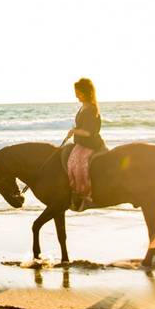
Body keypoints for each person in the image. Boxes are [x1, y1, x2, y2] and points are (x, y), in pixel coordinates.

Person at [63, 77, 107, 211]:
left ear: (85, 92)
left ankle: (85, 196)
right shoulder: (84, 107)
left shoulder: (91, 109)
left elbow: (88, 132)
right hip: (81, 142)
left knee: (77, 162)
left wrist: (74, 130)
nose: (76, 95)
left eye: (78, 92)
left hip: (90, 143)